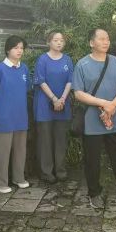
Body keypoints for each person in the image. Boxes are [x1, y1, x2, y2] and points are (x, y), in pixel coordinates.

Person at [72, 28, 116, 210]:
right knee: (92, 161)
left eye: (108, 39)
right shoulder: (82, 64)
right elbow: (78, 93)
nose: (106, 42)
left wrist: (113, 106)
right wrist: (104, 103)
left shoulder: (115, 62)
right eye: (101, 39)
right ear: (91, 43)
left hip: (114, 120)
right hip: (91, 121)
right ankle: (94, 193)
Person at [0, 35, 31, 194]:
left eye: (21, 48)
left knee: (20, 149)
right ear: (7, 50)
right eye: (15, 48)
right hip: (3, 116)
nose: (19, 51)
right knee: (2, 151)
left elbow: (26, 90)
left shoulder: (24, 68)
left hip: (20, 115)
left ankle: (18, 178)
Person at [33, 30, 73, 184]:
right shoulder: (42, 60)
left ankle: (60, 170)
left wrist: (62, 99)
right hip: (45, 104)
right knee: (45, 139)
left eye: (61, 40)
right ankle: (46, 172)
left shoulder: (67, 60)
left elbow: (70, 81)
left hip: (63, 104)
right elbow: (41, 81)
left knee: (61, 138)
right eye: (55, 40)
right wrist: (54, 99)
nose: (59, 42)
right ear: (49, 42)